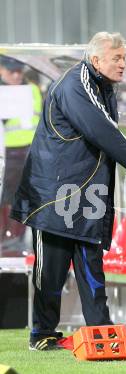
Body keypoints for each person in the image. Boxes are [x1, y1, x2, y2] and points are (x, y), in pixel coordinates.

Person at [10, 32, 126, 351]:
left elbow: (103, 137)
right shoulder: (76, 83)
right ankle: (42, 334)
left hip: (86, 196)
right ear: (96, 60)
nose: (123, 64)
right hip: (53, 195)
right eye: (117, 58)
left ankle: (102, 332)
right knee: (50, 270)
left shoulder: (102, 84)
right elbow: (103, 131)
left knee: (91, 265)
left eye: (125, 58)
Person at [0, 56, 42, 245]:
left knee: (21, 195)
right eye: (12, 72)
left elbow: (38, 119)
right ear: (2, 70)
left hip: (27, 152)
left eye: (19, 71)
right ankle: (5, 234)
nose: (16, 75)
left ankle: (15, 236)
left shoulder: (32, 90)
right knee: (6, 195)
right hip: (6, 152)